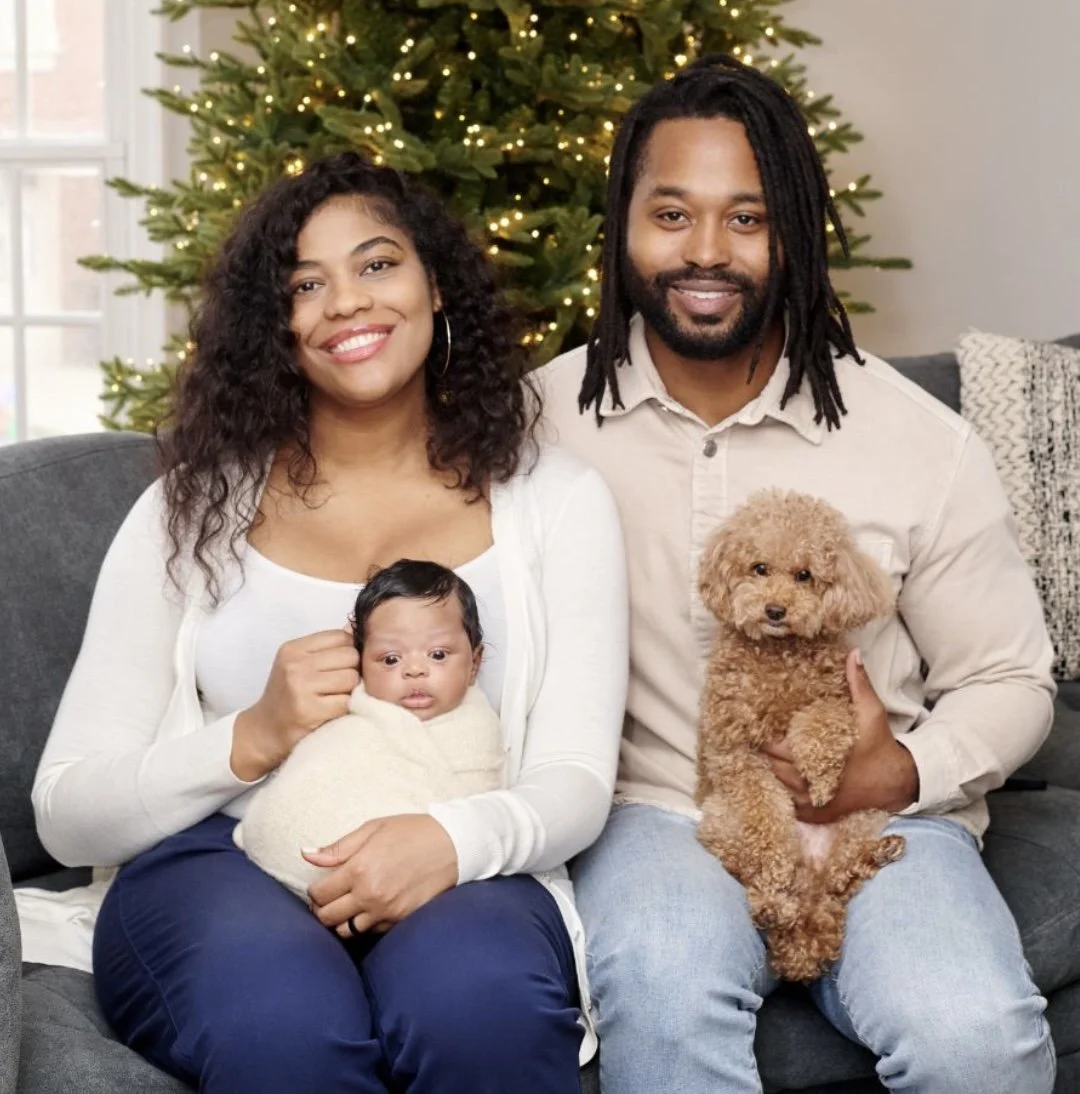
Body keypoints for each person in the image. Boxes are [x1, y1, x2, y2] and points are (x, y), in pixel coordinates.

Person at [19, 152, 628, 1094]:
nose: (347, 302)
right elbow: (64, 812)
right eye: (308, 284)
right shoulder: (190, 512)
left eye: (378, 264)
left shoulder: (556, 500)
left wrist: (452, 843)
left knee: (483, 1013)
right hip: (217, 860)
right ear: (276, 326)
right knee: (282, 1029)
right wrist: (251, 738)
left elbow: (578, 779)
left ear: (435, 285)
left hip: (462, 848)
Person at [539, 54, 1056, 1094]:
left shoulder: (917, 439)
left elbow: (1011, 679)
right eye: (672, 213)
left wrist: (900, 772)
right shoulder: (540, 423)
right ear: (623, 225)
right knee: (666, 997)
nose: (706, 252)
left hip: (877, 813)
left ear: (797, 234)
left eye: (749, 218)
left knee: (975, 1037)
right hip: (656, 814)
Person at [235, 559, 505, 902]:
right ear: (361, 661)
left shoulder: (475, 730)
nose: (416, 670)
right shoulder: (350, 711)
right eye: (391, 659)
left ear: (474, 663)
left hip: (400, 874)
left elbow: (475, 801)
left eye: (438, 654)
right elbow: (317, 770)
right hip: (278, 869)